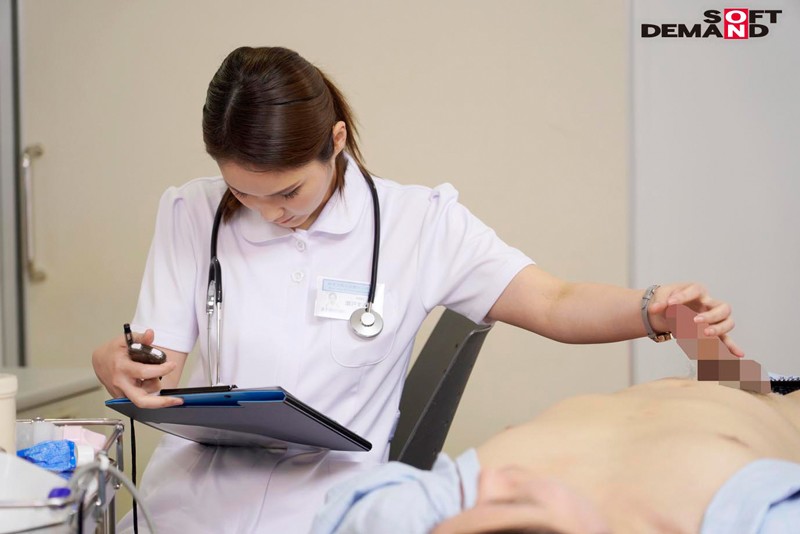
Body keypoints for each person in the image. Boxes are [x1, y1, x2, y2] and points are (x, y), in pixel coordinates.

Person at [91, 46, 742, 533]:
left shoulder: (420, 223)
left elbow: (553, 301)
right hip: (186, 506)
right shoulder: (192, 212)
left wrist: (652, 310)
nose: (267, 212)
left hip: (327, 508)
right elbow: (157, 366)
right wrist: (118, 363)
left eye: (287, 191)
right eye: (243, 192)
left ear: (336, 143)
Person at [311, 376, 800, 533]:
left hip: (713, 382)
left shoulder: (416, 512)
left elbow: (357, 505)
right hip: (777, 401)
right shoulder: (760, 519)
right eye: (518, 503)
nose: (498, 482)